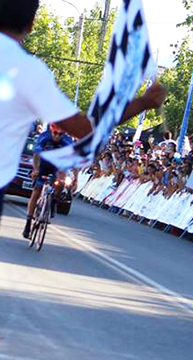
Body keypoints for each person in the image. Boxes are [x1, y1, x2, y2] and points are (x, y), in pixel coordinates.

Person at [0, 0, 167, 229]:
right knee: (38, 188)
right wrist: (143, 102)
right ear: (31, 24)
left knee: (48, 185)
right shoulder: (27, 70)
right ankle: (31, 220)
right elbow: (86, 129)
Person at [22, 124, 73, 237]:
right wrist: (35, 169)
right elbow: (36, 156)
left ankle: (53, 201)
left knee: (60, 184)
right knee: (36, 190)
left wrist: (63, 173)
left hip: (57, 165)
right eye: (55, 133)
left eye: (60, 134)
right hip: (44, 164)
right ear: (51, 131)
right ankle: (28, 222)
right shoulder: (44, 137)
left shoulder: (67, 141)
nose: (57, 136)